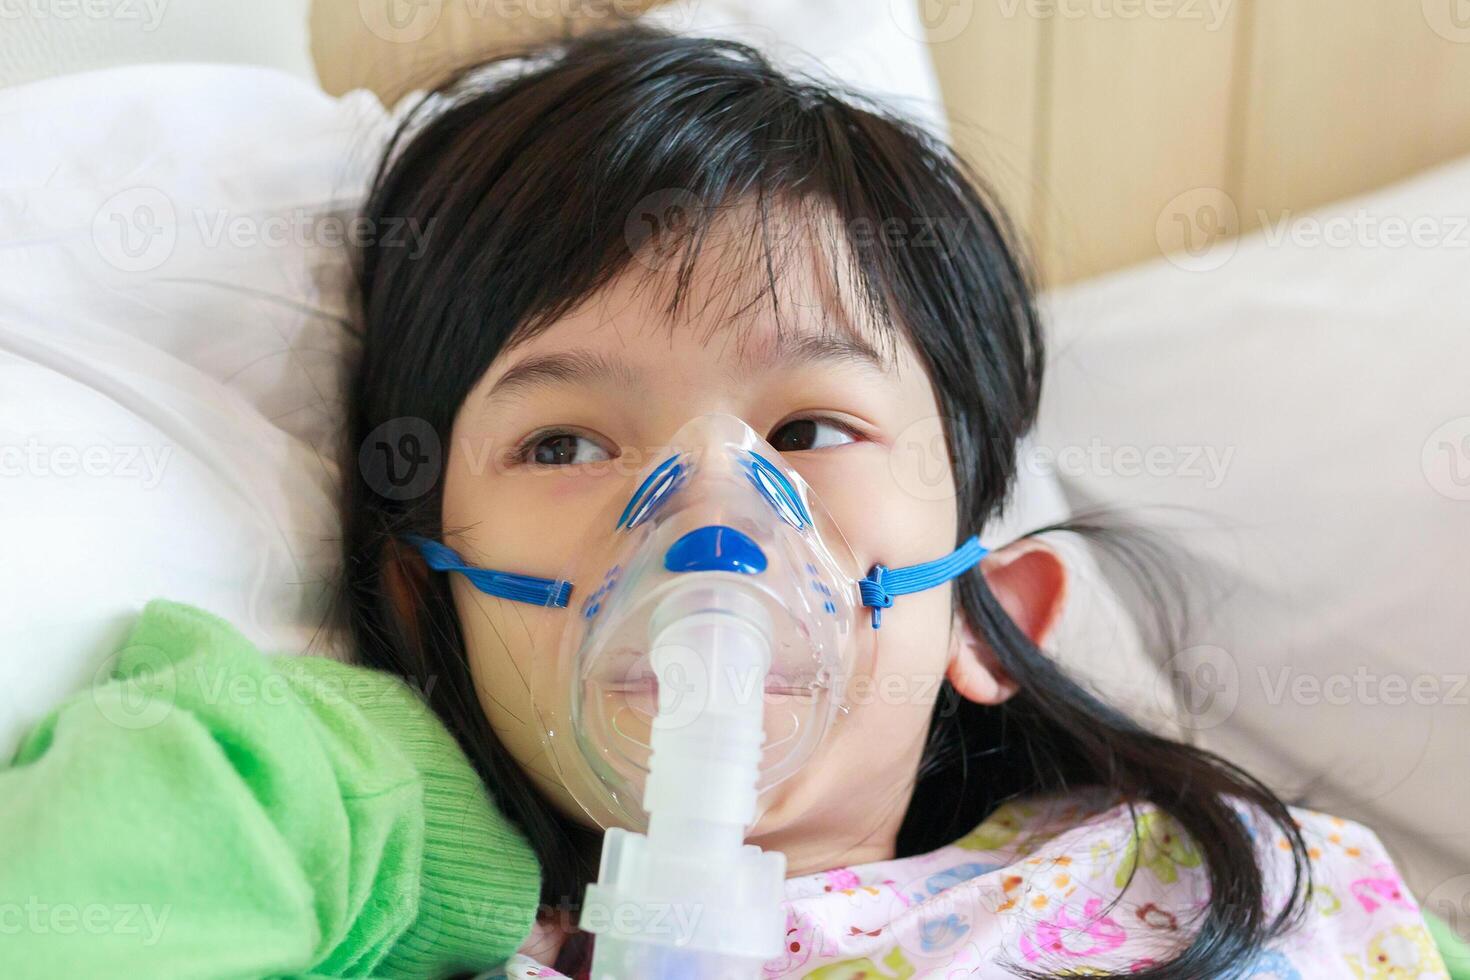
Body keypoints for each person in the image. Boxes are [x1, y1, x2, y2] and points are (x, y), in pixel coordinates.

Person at [2, 24, 1459, 980]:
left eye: (810, 424)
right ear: (419, 592)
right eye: (564, 446)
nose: (707, 507)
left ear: (982, 608)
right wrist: (313, 779)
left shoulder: (1221, 887)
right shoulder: (410, 914)